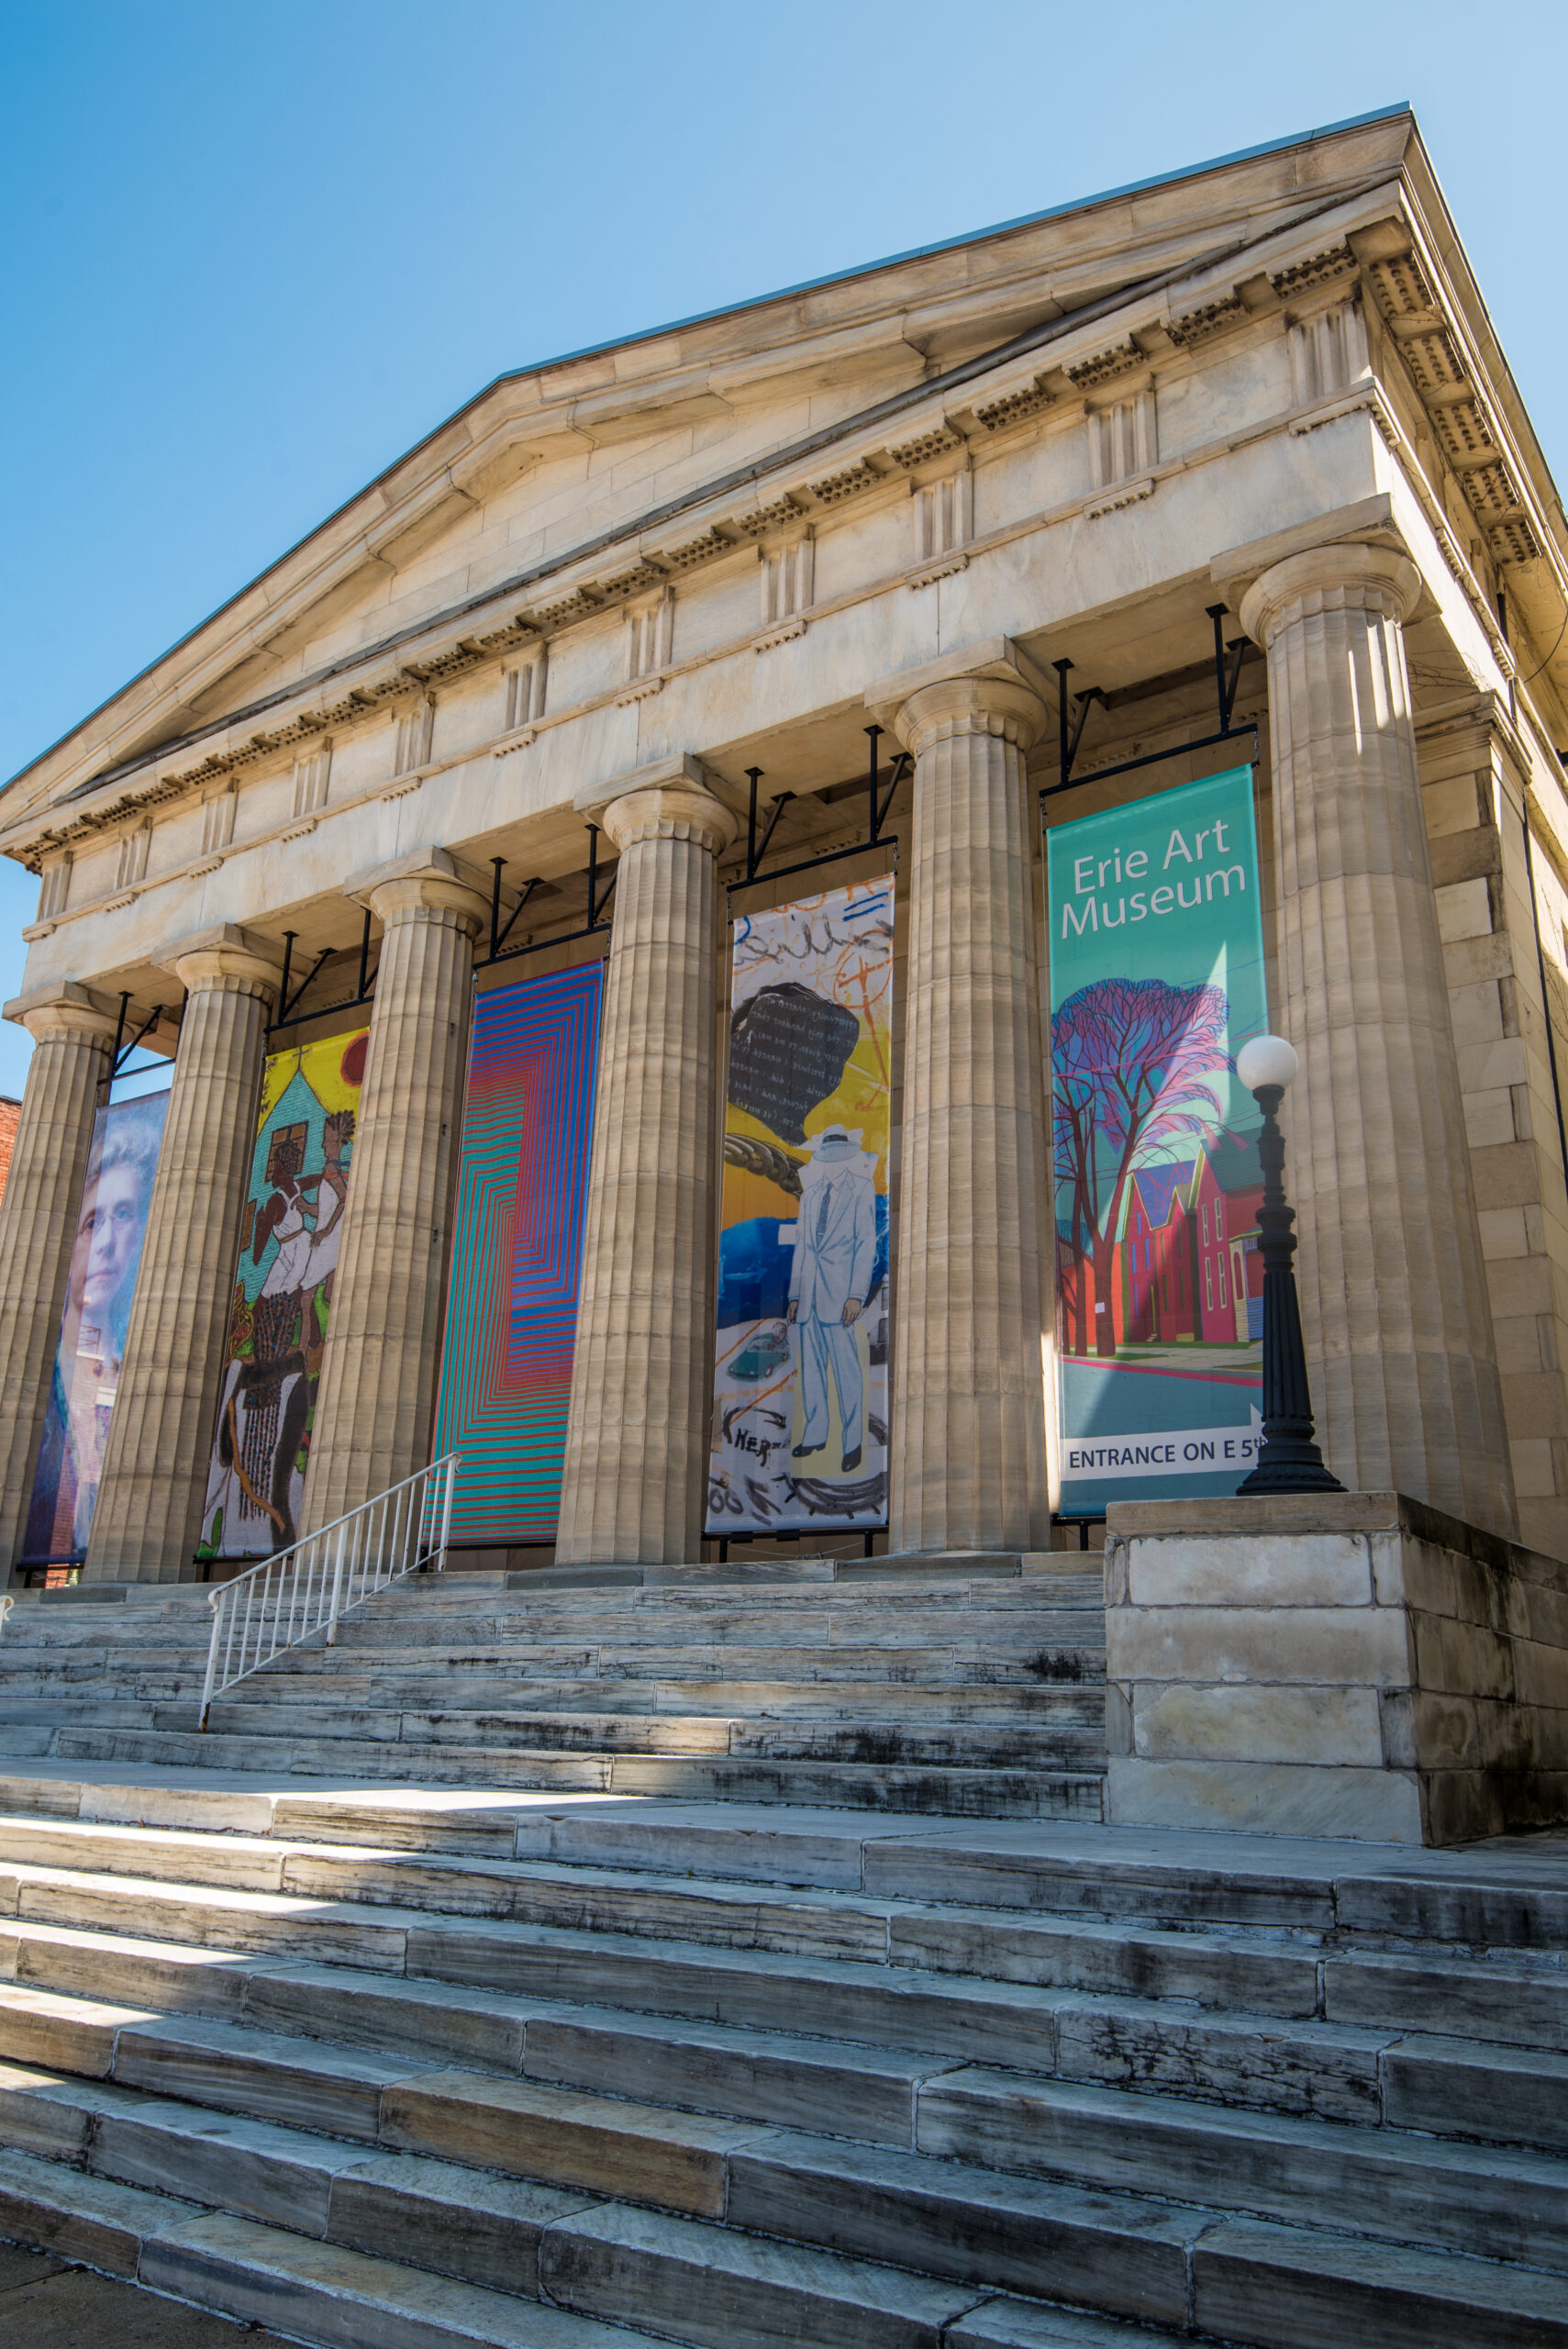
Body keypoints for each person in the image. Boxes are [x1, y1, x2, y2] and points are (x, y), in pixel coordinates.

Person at [23, 1108, 162, 1561]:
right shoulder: (36, 1383)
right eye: (90, 1223)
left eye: (123, 1216)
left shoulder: (144, 1377)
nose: (104, 1242)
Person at [786, 1125, 878, 1475]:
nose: (829, 1161)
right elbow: (802, 1249)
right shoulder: (810, 1196)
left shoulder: (861, 1190)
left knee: (847, 1373)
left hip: (841, 1299)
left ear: (848, 1157)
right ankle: (815, 1434)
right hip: (808, 1297)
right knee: (811, 1372)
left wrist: (856, 1294)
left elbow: (865, 1243)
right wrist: (795, 1295)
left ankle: (852, 1442)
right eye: (825, 1155)